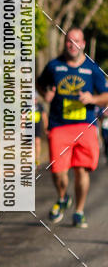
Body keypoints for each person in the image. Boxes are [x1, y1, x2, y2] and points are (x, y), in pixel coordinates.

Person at [37, 27, 108, 227]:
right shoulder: (54, 66)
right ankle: (63, 197)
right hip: (59, 125)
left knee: (81, 171)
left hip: (85, 125)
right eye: (69, 40)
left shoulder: (93, 69)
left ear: (83, 44)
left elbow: (106, 96)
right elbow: (40, 84)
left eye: (77, 41)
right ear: (65, 43)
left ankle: (79, 211)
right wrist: (45, 94)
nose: (73, 44)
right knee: (58, 171)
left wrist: (92, 98)